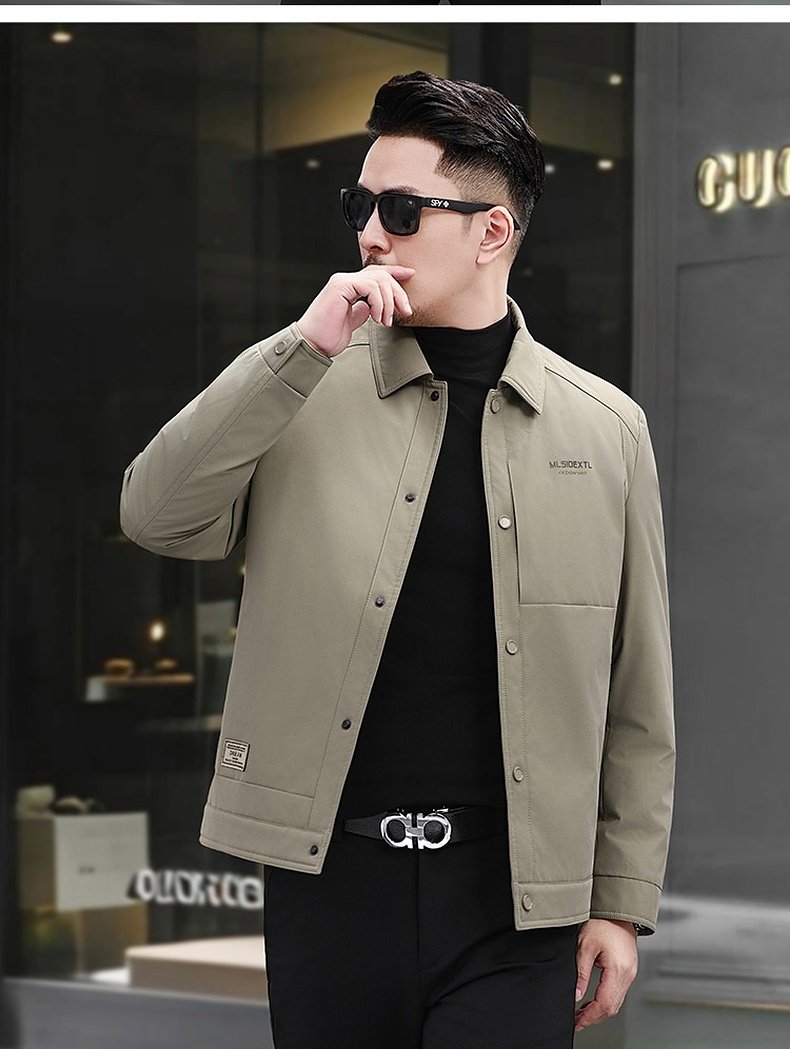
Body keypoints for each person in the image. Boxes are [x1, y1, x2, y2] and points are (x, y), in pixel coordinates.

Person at [119, 71, 675, 1049]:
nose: (372, 234)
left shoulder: (607, 429)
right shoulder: (299, 387)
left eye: (403, 210)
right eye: (360, 206)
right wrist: (301, 347)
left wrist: (620, 901)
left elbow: (637, 694)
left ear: (492, 232)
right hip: (331, 885)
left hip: (516, 905)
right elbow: (154, 515)